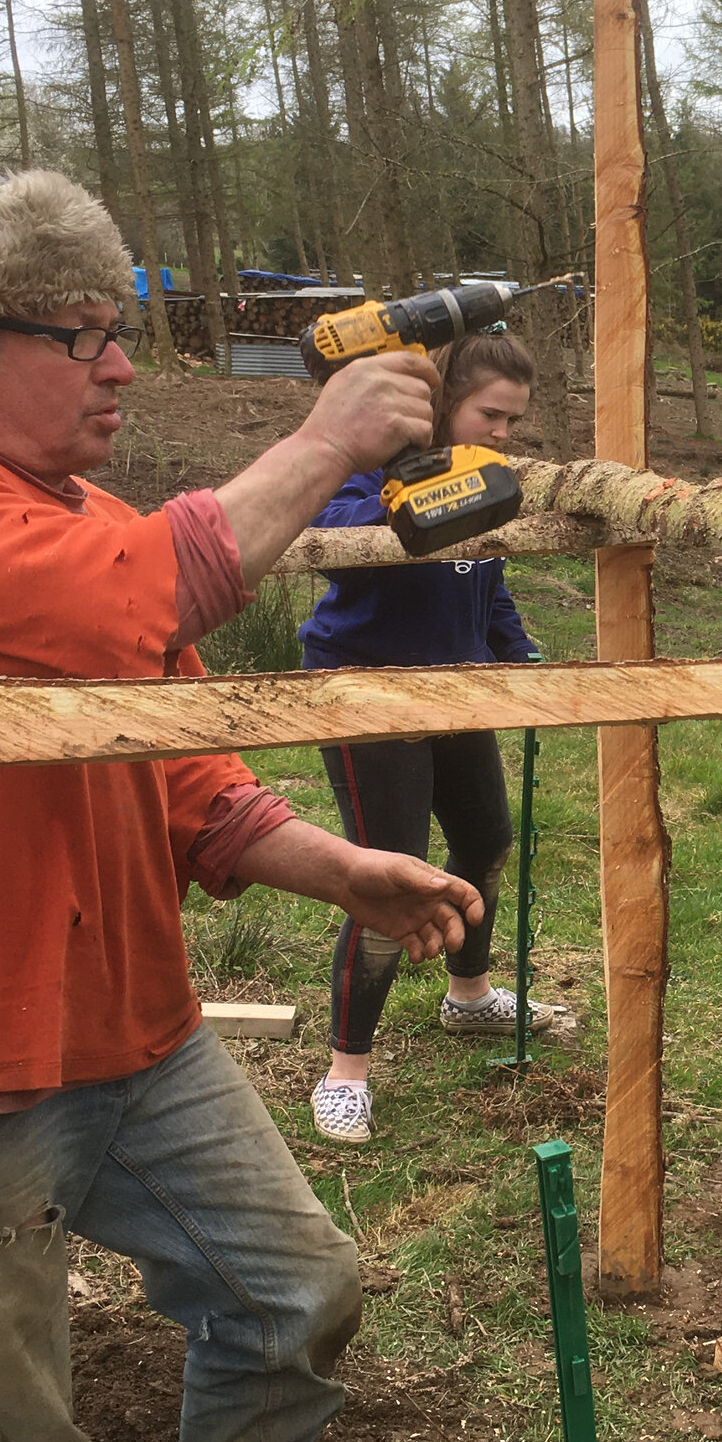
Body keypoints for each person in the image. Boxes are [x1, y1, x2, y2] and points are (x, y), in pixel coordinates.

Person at [0, 170, 484, 1442]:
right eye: (78, 331)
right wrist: (327, 435)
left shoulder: (71, 509)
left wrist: (341, 866)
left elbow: (178, 758)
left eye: (116, 325)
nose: (119, 361)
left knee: (290, 1298)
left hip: (123, 1033)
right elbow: (144, 599)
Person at [298, 328, 562, 1144]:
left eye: (515, 419)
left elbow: (487, 582)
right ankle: (346, 1068)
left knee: (485, 838)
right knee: (393, 876)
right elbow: (335, 545)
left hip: (454, 687)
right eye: (492, 414)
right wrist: (412, 495)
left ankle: (469, 994)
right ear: (446, 403)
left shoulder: (490, 479)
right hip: (367, 692)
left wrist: (517, 657)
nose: (505, 433)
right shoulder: (376, 465)